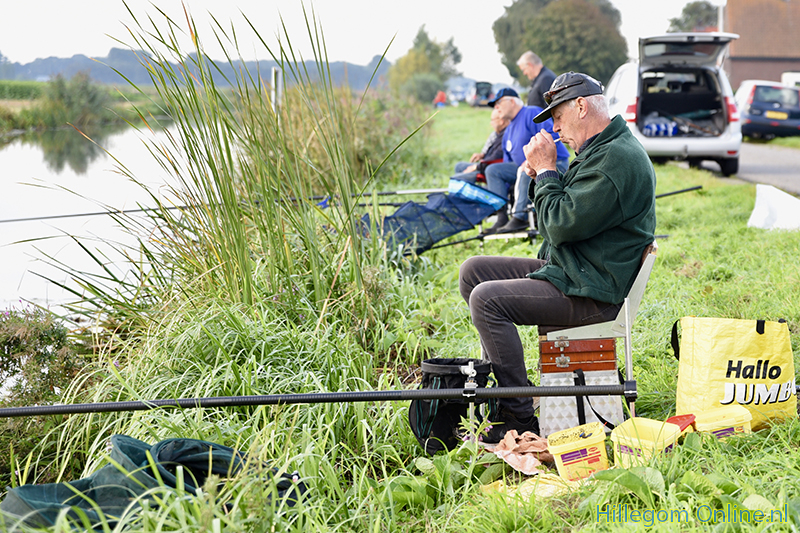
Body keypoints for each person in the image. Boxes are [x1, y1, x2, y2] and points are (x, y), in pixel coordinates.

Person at [458, 72, 656, 443]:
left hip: (595, 293)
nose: (555, 127)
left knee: (487, 300)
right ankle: (509, 387)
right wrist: (541, 176)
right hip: (577, 271)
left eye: (558, 116)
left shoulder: (616, 160)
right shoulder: (602, 150)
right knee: (474, 272)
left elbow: (559, 226)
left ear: (581, 106)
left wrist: (548, 170)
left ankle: (517, 413)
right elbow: (562, 218)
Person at [484, 87, 569, 234]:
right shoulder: (508, 129)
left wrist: (533, 159)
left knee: (525, 171)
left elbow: (553, 135)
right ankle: (502, 216)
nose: (496, 108)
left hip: (554, 163)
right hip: (521, 168)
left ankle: (520, 218)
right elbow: (507, 162)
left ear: (512, 102)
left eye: (498, 103)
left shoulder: (531, 113)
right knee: (493, 170)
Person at [451, 108, 509, 185]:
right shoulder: (497, 134)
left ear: (501, 121)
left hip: (487, 168)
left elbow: (495, 157)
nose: (491, 123)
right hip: (484, 165)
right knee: (459, 166)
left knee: (456, 179)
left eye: (492, 120)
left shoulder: (506, 135)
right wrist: (482, 155)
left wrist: (476, 167)